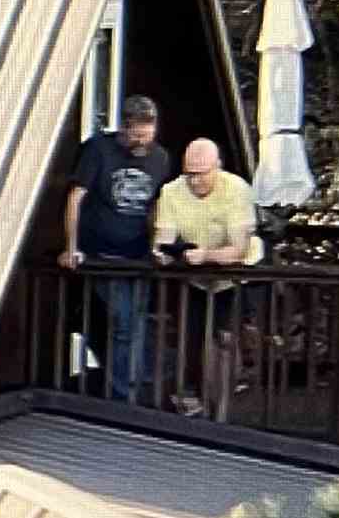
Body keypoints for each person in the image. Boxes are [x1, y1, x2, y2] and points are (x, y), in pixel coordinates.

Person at [63, 95, 170, 401]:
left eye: (147, 136)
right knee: (123, 322)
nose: (141, 142)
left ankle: (131, 389)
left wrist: (157, 245)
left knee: (136, 322)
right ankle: (123, 395)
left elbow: (158, 206)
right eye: (136, 135)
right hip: (101, 252)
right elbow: (76, 197)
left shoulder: (160, 158)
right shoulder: (98, 149)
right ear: (124, 127)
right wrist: (71, 246)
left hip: (137, 254)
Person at [151, 137, 264, 416]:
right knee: (195, 339)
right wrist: (162, 253)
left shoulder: (236, 189)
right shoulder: (171, 191)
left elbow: (239, 249)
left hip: (236, 274)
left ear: (218, 167)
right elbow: (163, 239)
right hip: (195, 277)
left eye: (201, 174)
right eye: (189, 174)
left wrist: (206, 255)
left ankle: (223, 408)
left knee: (226, 340)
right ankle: (206, 404)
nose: (195, 181)